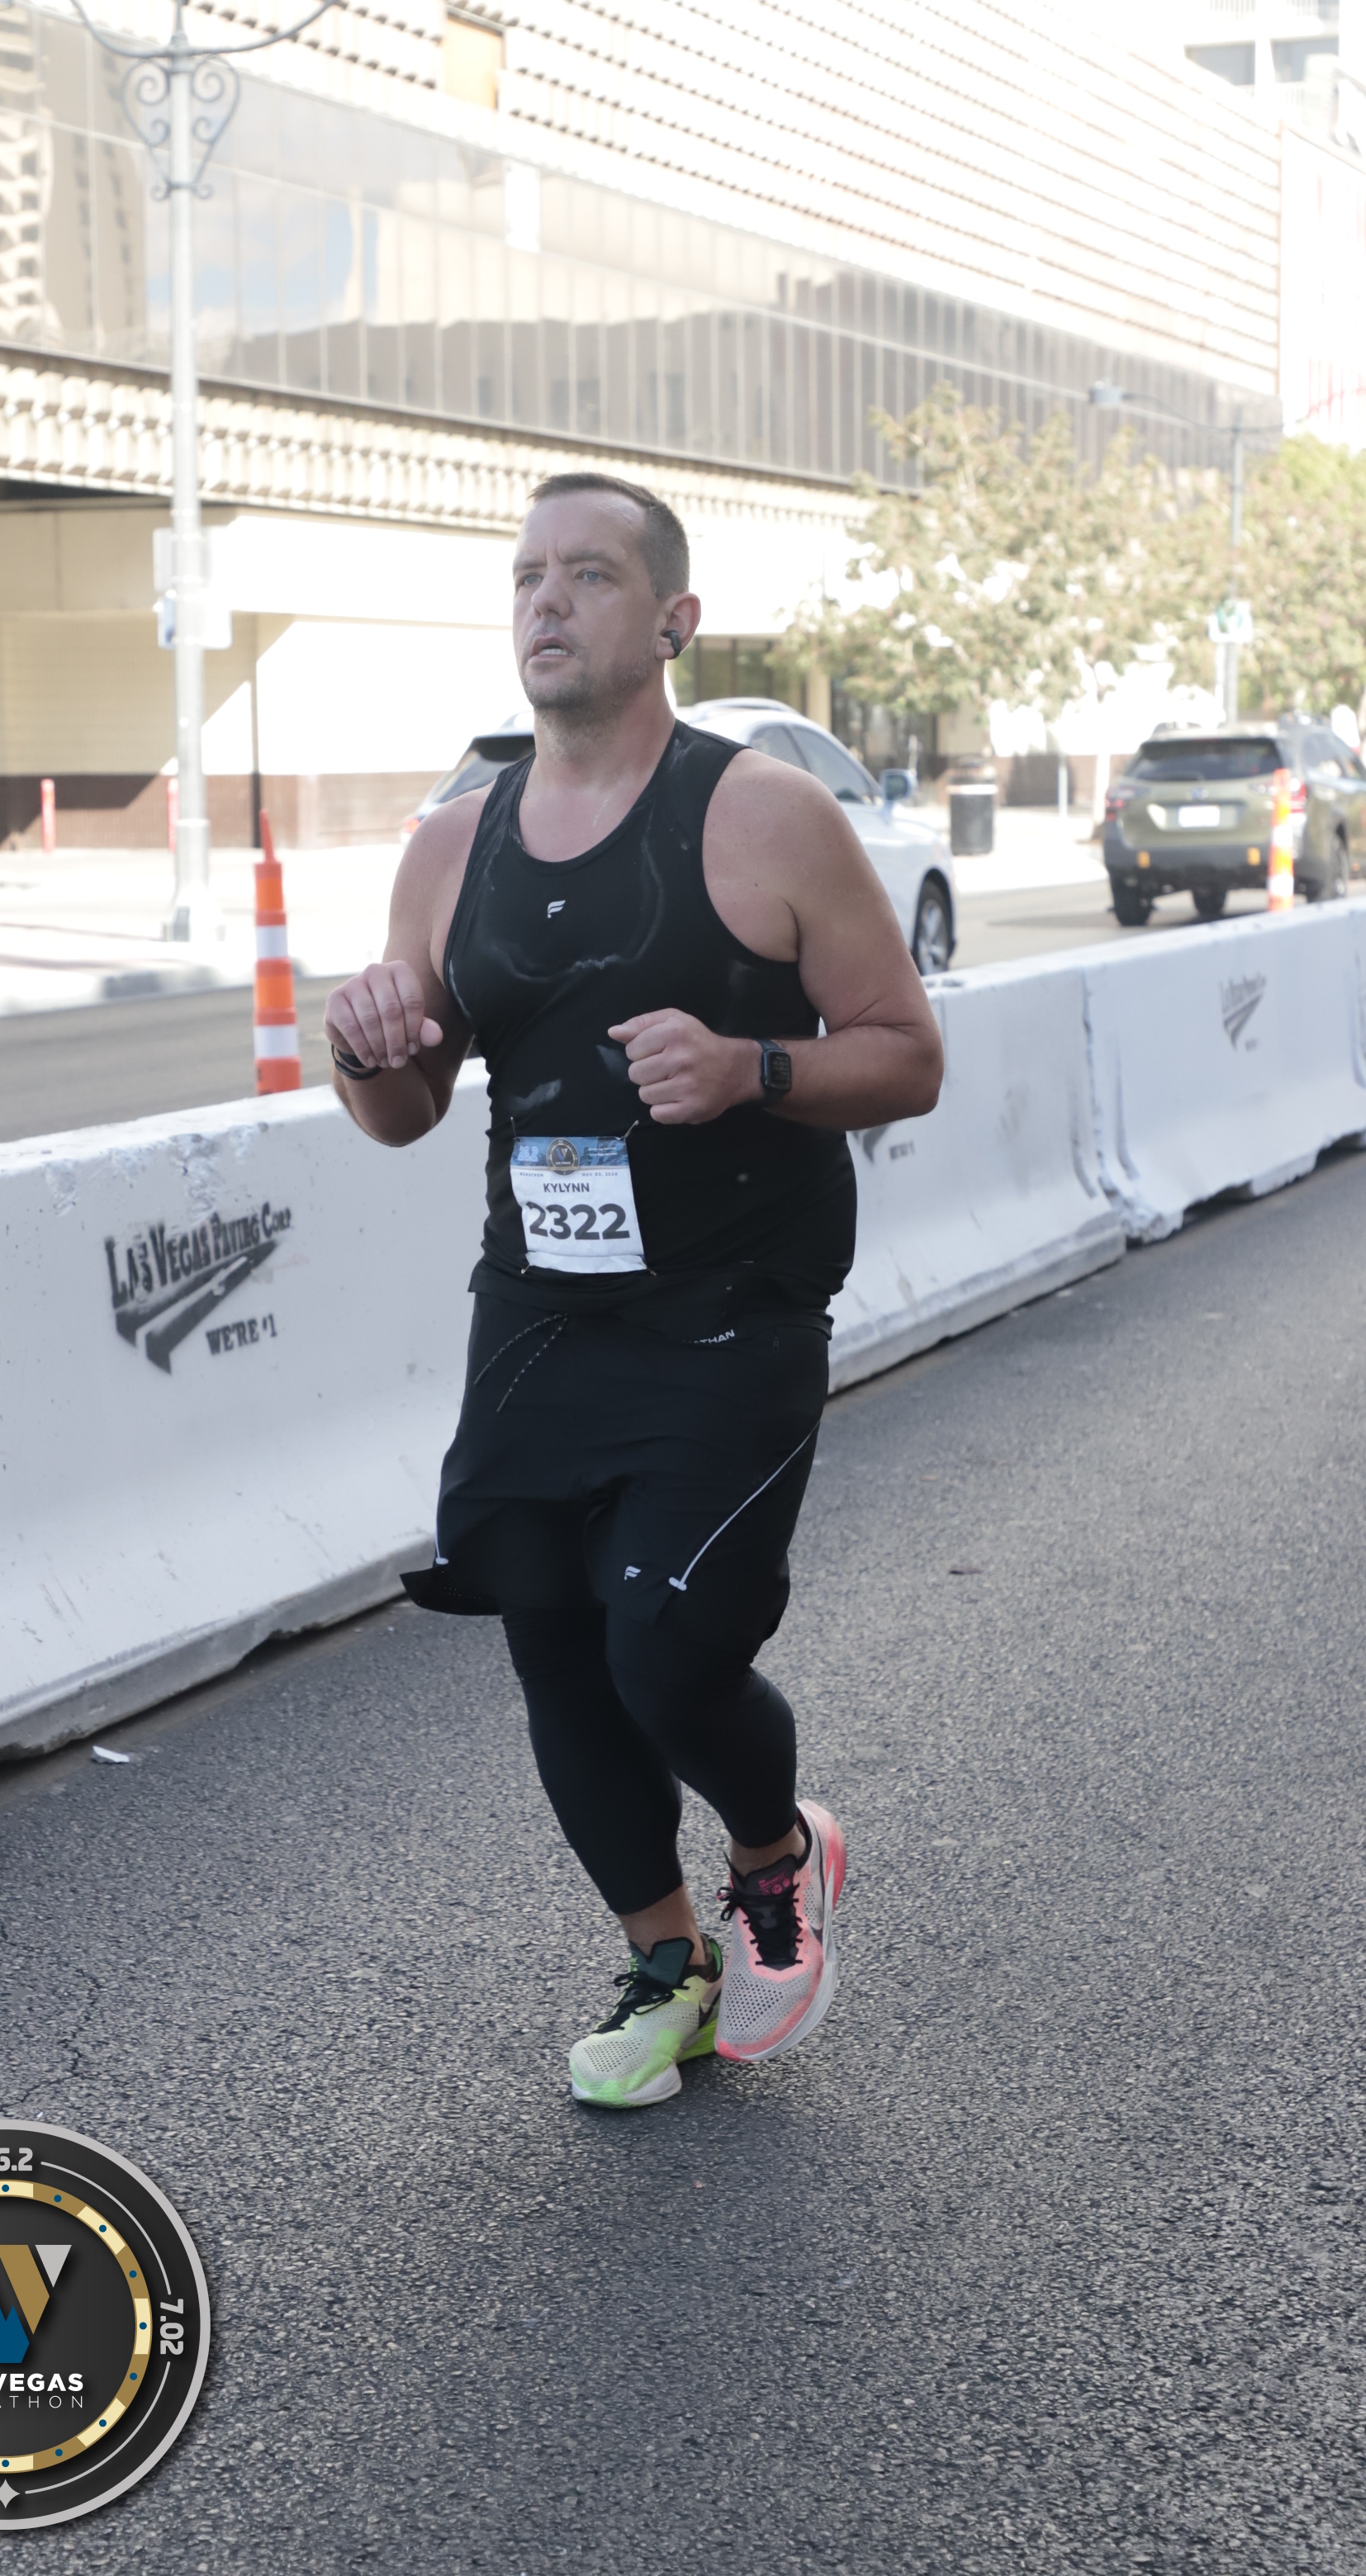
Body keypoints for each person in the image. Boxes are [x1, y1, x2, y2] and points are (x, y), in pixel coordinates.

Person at [325, 471, 943, 2109]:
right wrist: (364, 1048)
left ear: (672, 621)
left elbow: (907, 1054)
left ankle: (775, 1854)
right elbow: (402, 1113)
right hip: (540, 1304)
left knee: (664, 1648)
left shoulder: (762, 816)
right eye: (528, 575)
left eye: (589, 575)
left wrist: (751, 1068)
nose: (547, 601)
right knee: (552, 1643)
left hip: (735, 1301)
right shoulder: (450, 845)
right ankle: (664, 1967)